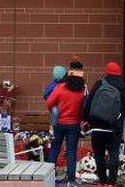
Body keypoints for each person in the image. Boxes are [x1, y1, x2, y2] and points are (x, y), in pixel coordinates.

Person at [83, 61, 125, 186]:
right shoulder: (123, 86)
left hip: (98, 126)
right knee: (114, 154)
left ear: (107, 71)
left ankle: (102, 181)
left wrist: (85, 118)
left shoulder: (100, 83)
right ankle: (111, 182)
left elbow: (89, 101)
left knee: (99, 154)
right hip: (114, 127)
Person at [47, 58, 86, 187]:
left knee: (54, 150)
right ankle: (71, 180)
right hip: (73, 124)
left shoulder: (60, 87)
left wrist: (56, 109)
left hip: (59, 123)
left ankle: (49, 178)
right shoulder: (82, 90)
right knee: (71, 152)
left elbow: (49, 102)